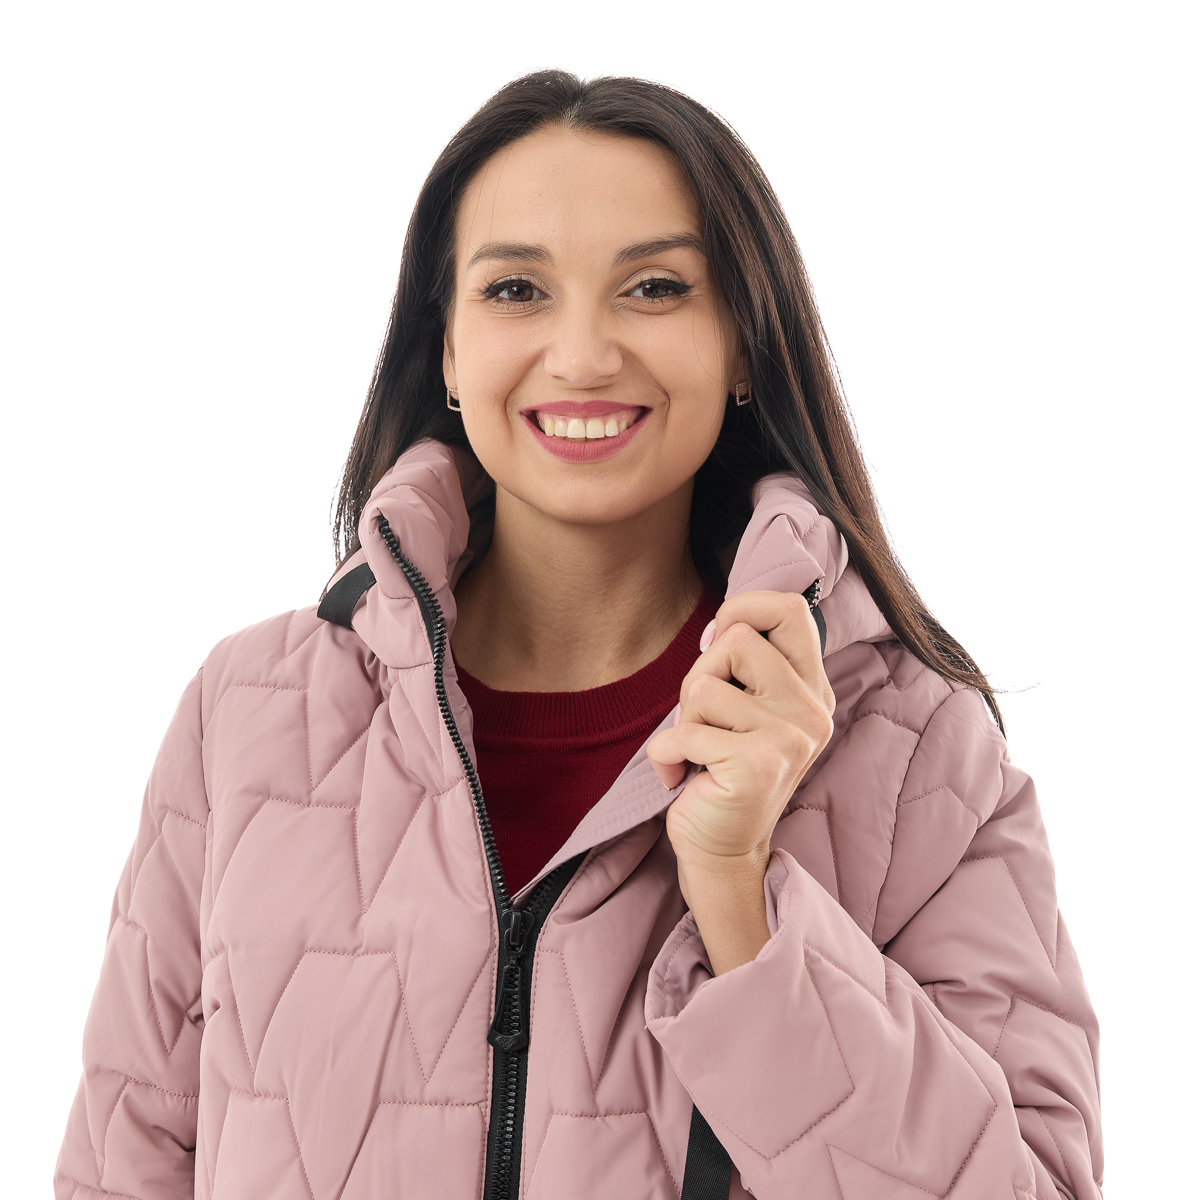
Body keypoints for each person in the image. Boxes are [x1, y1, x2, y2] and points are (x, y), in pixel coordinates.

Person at [54, 70, 1103, 1200]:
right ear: (447, 351)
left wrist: (742, 906)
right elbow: (123, 1169)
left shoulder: (916, 750)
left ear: (742, 345)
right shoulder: (248, 711)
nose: (584, 352)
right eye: (516, 289)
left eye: (654, 287)